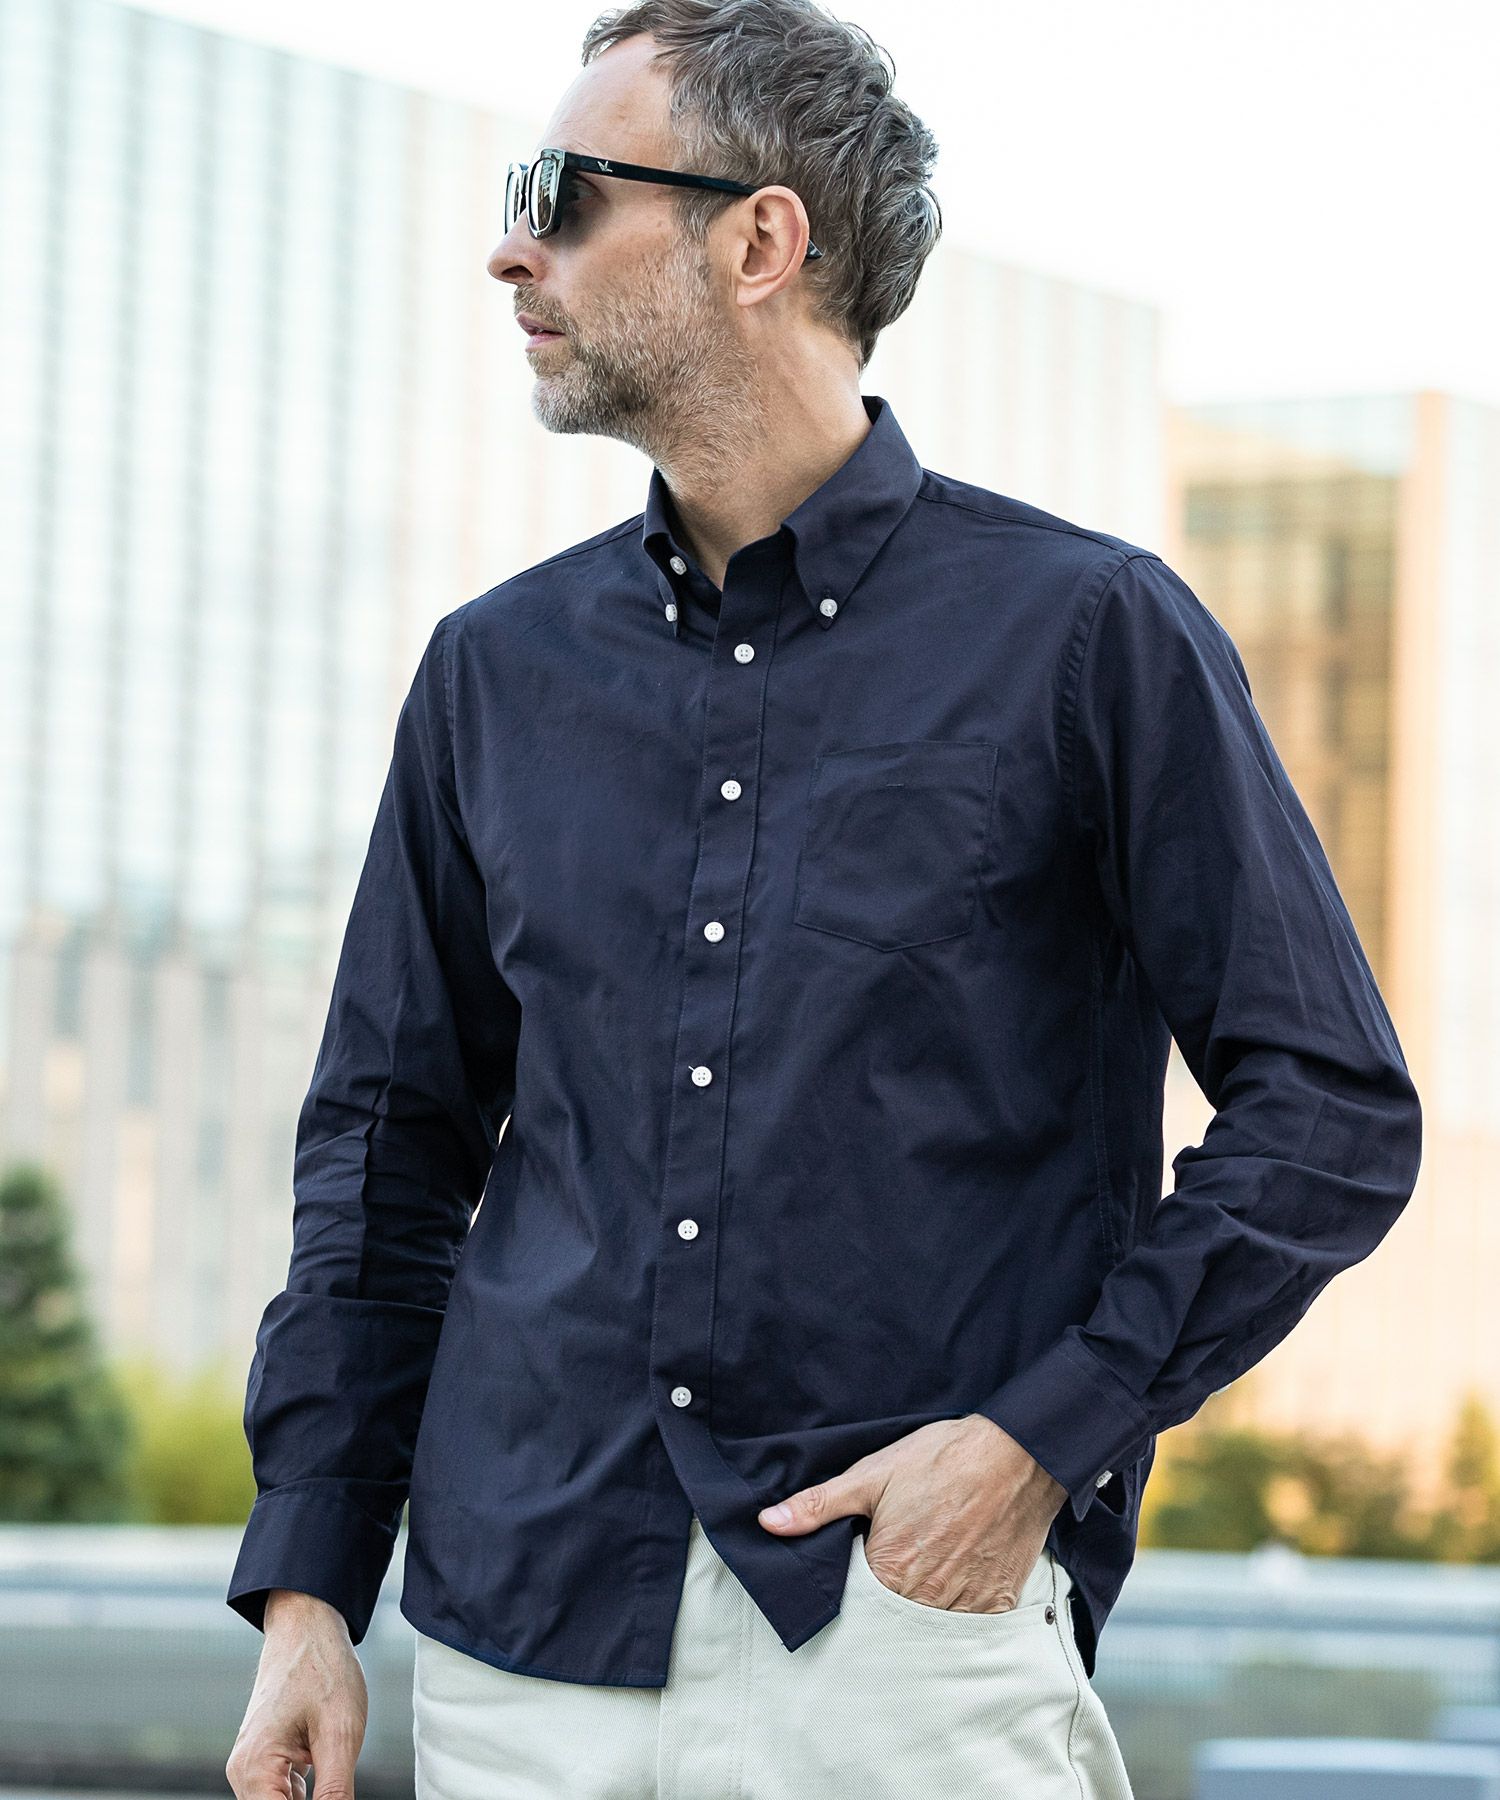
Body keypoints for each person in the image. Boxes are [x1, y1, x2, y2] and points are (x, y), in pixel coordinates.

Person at [223, 2, 1423, 1795]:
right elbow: (387, 1152)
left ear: (760, 241)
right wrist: (309, 1591)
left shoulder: (1091, 636)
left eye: (562, 193)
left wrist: (1037, 1441)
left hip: (901, 1639)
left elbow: (1331, 1109)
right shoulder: (491, 672)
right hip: (517, 1640)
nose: (512, 249)